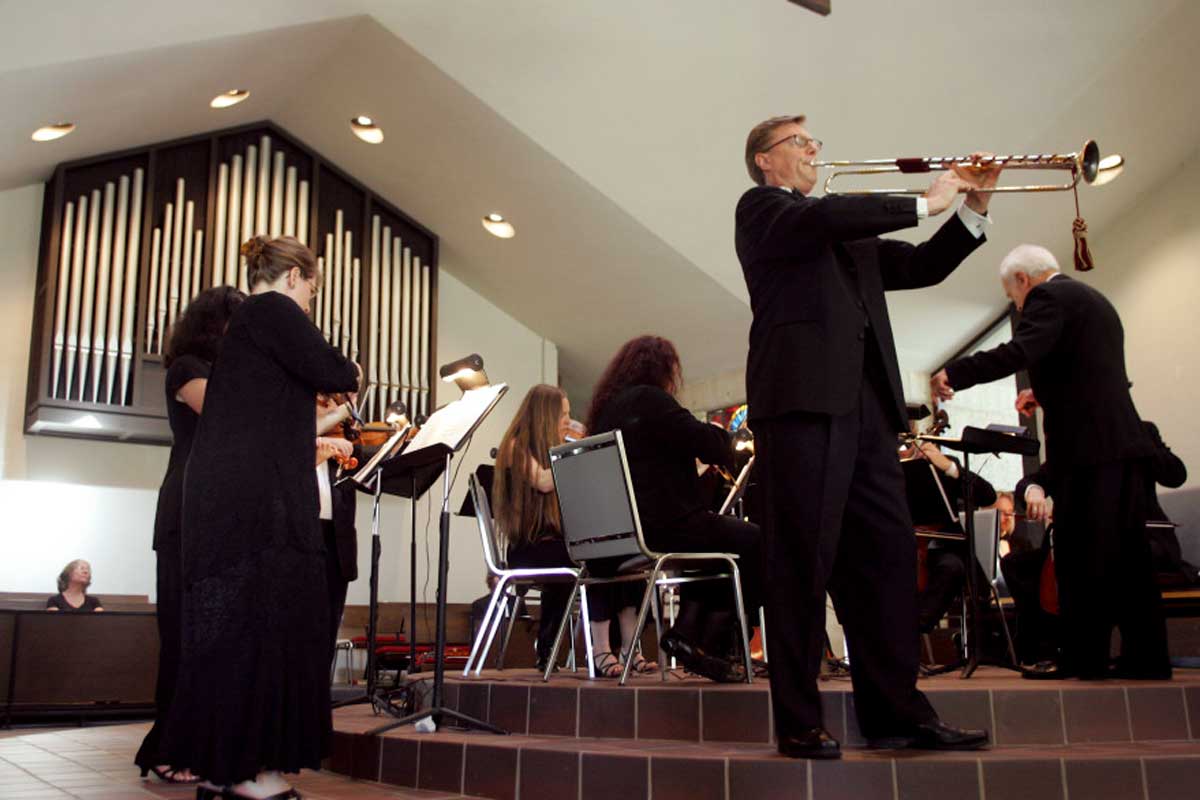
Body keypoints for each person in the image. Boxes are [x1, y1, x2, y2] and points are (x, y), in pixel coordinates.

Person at [735, 114, 997, 758]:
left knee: (883, 563)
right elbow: (820, 217)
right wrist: (922, 199)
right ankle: (798, 720)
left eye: (814, 141)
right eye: (800, 142)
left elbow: (927, 265)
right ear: (765, 160)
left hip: (870, 415)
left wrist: (973, 202)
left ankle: (897, 715)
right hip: (799, 408)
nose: (814, 149)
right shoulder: (764, 210)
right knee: (799, 564)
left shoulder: (851, 241)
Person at [162, 235, 361, 800]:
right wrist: (355, 372)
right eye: (313, 290)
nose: (309, 304)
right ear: (295, 277)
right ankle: (253, 777)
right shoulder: (272, 309)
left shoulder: (246, 335)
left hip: (234, 506)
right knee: (265, 632)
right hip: (256, 513)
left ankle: (232, 771)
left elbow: (274, 426)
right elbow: (333, 367)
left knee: (238, 637)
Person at [935, 243, 1169, 681]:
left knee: (1081, 557)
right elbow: (1089, 374)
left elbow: (1019, 352)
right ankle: (1147, 658)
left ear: (1023, 281)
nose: (1019, 305)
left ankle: (1086, 659)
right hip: (1124, 447)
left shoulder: (1048, 298)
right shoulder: (1095, 301)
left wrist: (956, 373)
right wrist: (1044, 393)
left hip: (1090, 454)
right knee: (1129, 560)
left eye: (1014, 296)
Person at [587, 335, 763, 683]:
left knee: (716, 541)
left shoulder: (605, 412)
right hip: (661, 527)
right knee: (755, 540)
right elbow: (710, 445)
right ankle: (702, 641)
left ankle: (687, 635)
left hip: (616, 537)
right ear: (663, 370)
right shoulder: (651, 400)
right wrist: (718, 432)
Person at [134, 285, 245, 785]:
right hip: (185, 509)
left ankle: (198, 743)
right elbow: (225, 417)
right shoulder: (187, 368)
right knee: (181, 635)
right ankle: (167, 748)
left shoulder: (224, 372)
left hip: (216, 511)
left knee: (208, 638)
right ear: (216, 324)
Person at [492, 384, 578, 672]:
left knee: (595, 558)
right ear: (545, 414)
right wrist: (575, 452)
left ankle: (606, 649)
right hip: (526, 550)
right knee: (570, 561)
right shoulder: (516, 446)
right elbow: (542, 481)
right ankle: (549, 647)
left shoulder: (549, 451)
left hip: (549, 546)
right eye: (562, 414)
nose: (567, 420)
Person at [908, 440, 997, 635]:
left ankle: (913, 629)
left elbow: (988, 495)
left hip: (943, 548)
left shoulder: (944, 466)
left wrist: (948, 467)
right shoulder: (891, 466)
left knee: (951, 567)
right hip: (903, 545)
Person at [315, 396, 360, 679]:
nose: (333, 409)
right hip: (303, 539)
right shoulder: (290, 440)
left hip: (336, 543)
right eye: (325, 402)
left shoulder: (340, 449)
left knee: (327, 629)